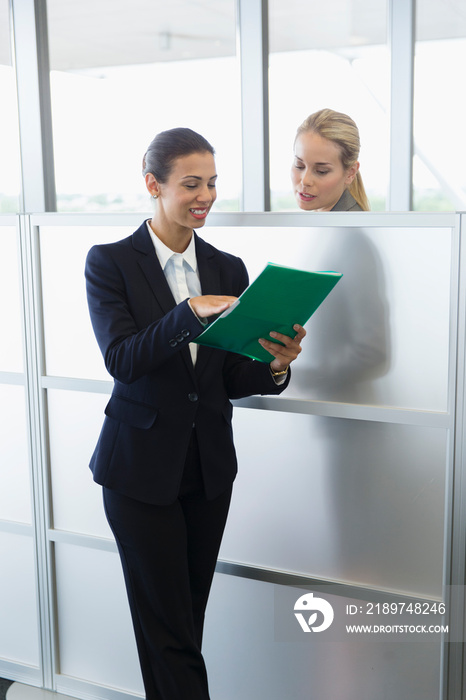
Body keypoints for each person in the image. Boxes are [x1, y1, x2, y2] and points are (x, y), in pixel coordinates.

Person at [85, 127, 306, 700]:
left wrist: (276, 364)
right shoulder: (110, 263)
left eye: (211, 183)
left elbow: (232, 377)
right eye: (190, 184)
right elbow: (122, 360)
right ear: (153, 184)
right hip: (138, 474)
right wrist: (187, 312)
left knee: (183, 624)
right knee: (170, 632)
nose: (204, 195)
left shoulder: (228, 267)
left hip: (207, 472)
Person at [291, 108, 370, 212]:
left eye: (321, 171)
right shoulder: (325, 222)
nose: (305, 181)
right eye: (299, 166)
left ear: (351, 173)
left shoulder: (348, 226)